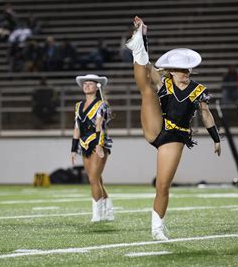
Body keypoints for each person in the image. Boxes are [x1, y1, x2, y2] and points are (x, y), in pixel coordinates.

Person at [125, 16, 221, 241]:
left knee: (162, 184)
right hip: (156, 126)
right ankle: (138, 45)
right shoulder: (165, 81)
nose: (185, 74)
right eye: (181, 71)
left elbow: (206, 114)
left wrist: (216, 138)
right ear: (172, 71)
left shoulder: (198, 90)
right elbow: (148, 69)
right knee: (147, 89)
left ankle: (157, 227)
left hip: (174, 137)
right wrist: (144, 36)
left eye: (187, 71)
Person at [70, 74, 114, 222]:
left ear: (97, 87)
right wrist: (73, 149)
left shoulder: (101, 105)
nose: (87, 86)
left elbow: (99, 126)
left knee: (93, 179)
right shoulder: (78, 105)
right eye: (85, 84)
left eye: (90, 83)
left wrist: (99, 145)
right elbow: (76, 128)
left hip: (97, 143)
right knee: (97, 180)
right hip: (84, 145)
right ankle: (109, 209)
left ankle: (97, 214)